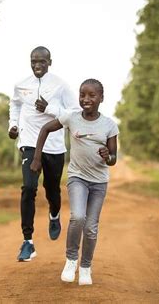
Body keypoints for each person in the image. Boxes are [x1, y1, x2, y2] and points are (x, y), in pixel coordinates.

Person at [30, 78, 118, 285]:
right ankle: (71, 260)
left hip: (99, 182)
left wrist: (108, 156)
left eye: (91, 95)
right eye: (82, 95)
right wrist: (36, 156)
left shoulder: (109, 125)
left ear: (101, 98)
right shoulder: (71, 117)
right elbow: (45, 129)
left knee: (91, 227)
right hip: (77, 177)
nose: (86, 99)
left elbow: (114, 159)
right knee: (77, 217)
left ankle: (85, 266)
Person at [8, 46, 79, 262]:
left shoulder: (61, 85)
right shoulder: (21, 85)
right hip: (29, 143)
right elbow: (15, 104)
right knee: (28, 188)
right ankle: (27, 242)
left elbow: (74, 113)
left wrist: (50, 109)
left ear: (50, 62)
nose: (37, 65)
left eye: (42, 61)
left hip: (54, 147)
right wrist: (13, 125)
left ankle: (54, 214)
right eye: (33, 61)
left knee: (52, 190)